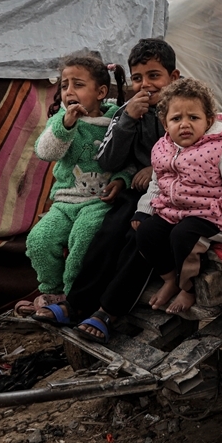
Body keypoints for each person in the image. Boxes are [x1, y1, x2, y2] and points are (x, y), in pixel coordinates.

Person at [35, 39, 179, 342]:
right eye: (138, 78)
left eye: (154, 76)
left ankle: (109, 311)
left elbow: (199, 147)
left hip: (176, 192)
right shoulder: (126, 112)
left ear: (173, 77)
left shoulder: (184, 108)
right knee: (110, 228)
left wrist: (155, 169)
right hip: (138, 190)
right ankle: (76, 303)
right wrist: (127, 120)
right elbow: (109, 161)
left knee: (139, 234)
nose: (146, 85)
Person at [132, 79, 222, 314]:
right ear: (165, 123)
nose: (185, 124)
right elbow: (156, 183)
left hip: (212, 216)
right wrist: (144, 209)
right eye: (176, 119)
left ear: (209, 120)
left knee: (183, 236)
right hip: (175, 211)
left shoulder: (221, 148)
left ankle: (188, 287)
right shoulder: (163, 148)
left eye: (193, 117)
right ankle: (170, 279)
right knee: (147, 233)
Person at [24, 52, 131, 319]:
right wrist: (66, 124)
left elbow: (130, 159)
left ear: (101, 92)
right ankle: (52, 293)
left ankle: (74, 299)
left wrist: (123, 180)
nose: (69, 91)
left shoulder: (116, 122)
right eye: (64, 85)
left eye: (78, 85)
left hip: (98, 202)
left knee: (82, 237)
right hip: (64, 202)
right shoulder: (60, 121)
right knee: (39, 240)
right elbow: (45, 152)